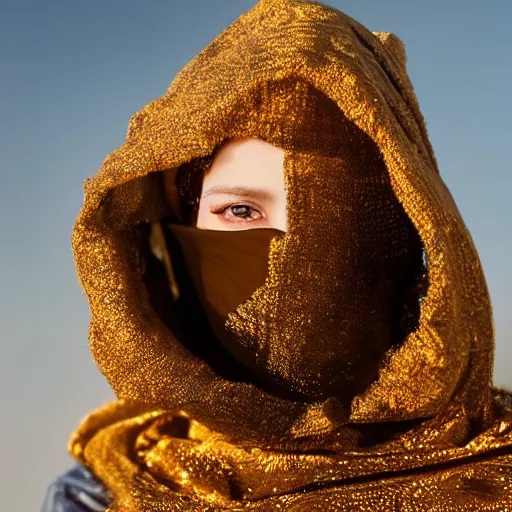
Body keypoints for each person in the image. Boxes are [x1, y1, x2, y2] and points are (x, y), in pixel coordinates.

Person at [43, 0, 512, 510]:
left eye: (337, 217)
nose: (297, 258)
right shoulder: (103, 493)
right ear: (181, 226)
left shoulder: (496, 469)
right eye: (241, 210)